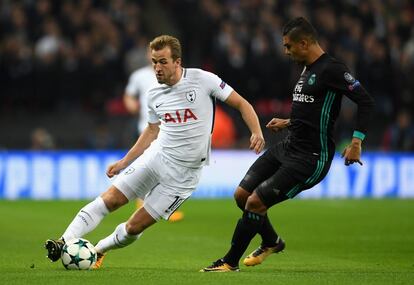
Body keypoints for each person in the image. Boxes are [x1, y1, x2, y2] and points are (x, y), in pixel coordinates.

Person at [44, 34, 265, 269]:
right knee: (110, 199)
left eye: (162, 62)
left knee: (134, 227)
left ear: (177, 62)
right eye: (154, 62)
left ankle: (98, 250)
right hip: (156, 157)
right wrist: (124, 162)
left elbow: (242, 103)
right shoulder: (153, 93)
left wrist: (256, 132)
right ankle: (63, 241)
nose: (157, 68)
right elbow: (151, 131)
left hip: (184, 176)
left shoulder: (203, 80)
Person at [201, 17, 375, 272]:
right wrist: (288, 122)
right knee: (241, 196)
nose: (286, 52)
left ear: (304, 43)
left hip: (311, 157)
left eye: (289, 46)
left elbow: (366, 101)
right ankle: (271, 241)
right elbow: (314, 110)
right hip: (289, 144)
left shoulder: (333, 69)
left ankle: (229, 262)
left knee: (255, 203)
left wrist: (357, 141)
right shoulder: (306, 69)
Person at [123, 47, 184, 222]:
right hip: (148, 127)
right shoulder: (139, 76)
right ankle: (143, 204)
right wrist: (130, 104)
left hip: (172, 127)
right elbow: (128, 95)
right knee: (149, 165)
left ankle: (162, 205)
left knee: (169, 168)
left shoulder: (174, 74)